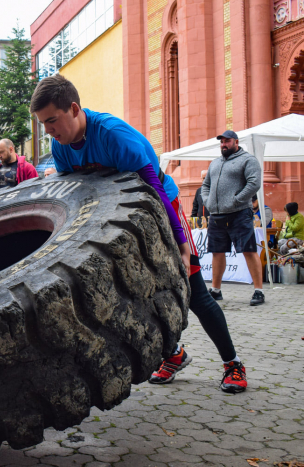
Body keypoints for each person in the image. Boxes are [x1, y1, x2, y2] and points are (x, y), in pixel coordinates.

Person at [31, 73, 247, 393]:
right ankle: (174, 355)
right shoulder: (60, 147)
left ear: (74, 109)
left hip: (160, 206)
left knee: (195, 293)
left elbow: (156, 189)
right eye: (42, 125)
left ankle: (233, 364)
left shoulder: (115, 136)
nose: (48, 131)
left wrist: (182, 241)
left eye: (51, 121)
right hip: (116, 219)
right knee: (129, 292)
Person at [202, 130, 264, 306]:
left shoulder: (248, 160)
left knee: (249, 250)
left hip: (239, 214)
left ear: (236, 142)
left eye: (227, 141)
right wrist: (207, 201)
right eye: (221, 141)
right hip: (216, 215)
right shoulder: (214, 163)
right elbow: (205, 185)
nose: (223, 144)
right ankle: (216, 290)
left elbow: (254, 183)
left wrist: (236, 200)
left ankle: (258, 291)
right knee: (217, 252)